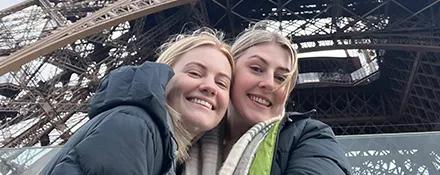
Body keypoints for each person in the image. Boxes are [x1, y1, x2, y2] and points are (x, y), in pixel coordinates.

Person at [41, 28, 234, 175]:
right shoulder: (134, 125)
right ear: (164, 75)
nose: (210, 87)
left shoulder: (157, 143)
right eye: (194, 72)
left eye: (222, 83)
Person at [184, 21, 350, 175]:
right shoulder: (185, 133)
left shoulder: (310, 136)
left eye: (280, 78)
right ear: (229, 70)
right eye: (256, 69)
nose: (269, 84)